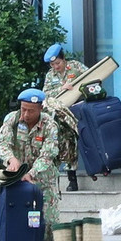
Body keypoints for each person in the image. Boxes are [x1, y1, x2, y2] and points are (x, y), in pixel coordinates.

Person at [0, 89, 62, 241]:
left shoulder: (49, 124)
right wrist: (10, 159)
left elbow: (48, 153)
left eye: (31, 111)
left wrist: (32, 173)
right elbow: (2, 142)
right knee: (15, 220)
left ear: (40, 108)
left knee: (49, 220)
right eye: (23, 109)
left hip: (43, 179)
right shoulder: (13, 119)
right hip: (17, 178)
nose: (25, 114)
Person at [42, 44, 87, 192]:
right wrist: (61, 88)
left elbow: (91, 77)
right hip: (61, 115)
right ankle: (71, 179)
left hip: (79, 110)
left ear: (64, 59)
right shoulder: (50, 75)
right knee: (67, 143)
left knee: (80, 139)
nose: (56, 67)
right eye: (53, 64)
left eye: (58, 63)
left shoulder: (75, 66)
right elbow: (45, 95)